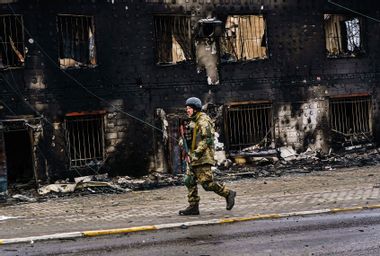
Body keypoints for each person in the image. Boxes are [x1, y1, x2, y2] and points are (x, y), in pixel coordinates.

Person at [179, 97, 236, 215]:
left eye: (189, 108)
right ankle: (193, 206)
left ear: (195, 109)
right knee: (189, 180)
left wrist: (196, 153)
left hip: (203, 157)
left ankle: (228, 193)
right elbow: (190, 138)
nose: (187, 110)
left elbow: (207, 140)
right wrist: (182, 142)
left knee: (207, 184)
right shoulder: (193, 120)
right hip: (193, 156)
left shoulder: (203, 120)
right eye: (187, 108)